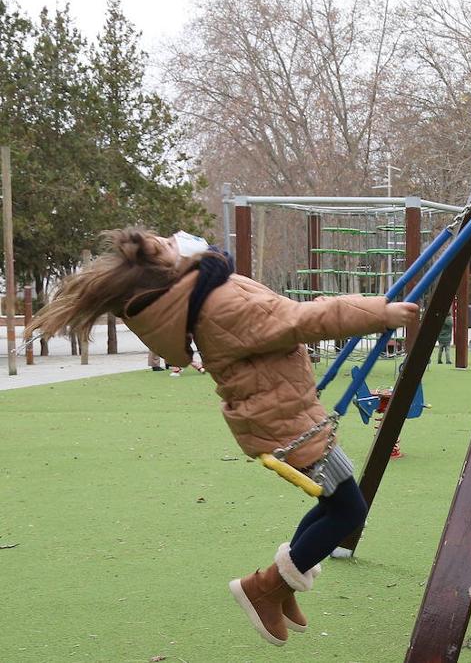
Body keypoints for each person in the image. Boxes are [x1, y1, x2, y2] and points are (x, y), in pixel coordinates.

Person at [27, 228, 418, 647]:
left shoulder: (207, 290)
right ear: (168, 269)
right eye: (168, 243)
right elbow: (299, 320)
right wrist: (380, 313)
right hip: (284, 420)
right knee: (347, 512)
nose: (179, 238)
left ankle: (282, 587)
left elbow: (283, 311)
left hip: (286, 409)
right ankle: (265, 588)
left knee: (337, 502)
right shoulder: (218, 303)